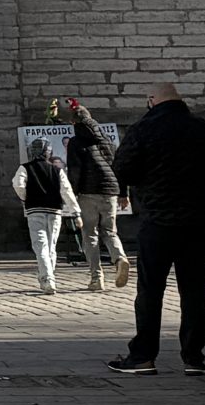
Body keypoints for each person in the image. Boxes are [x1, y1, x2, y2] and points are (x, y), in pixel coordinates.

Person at [108, 81, 205, 375]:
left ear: (152, 100)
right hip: (196, 222)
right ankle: (193, 358)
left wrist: (147, 180)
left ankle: (143, 357)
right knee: (193, 291)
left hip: (157, 222)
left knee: (151, 291)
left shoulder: (142, 130)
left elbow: (121, 169)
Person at [64, 100, 129, 292]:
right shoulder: (107, 141)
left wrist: (72, 194)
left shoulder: (76, 143)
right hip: (110, 193)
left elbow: (75, 170)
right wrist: (124, 193)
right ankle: (120, 258)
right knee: (110, 231)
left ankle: (96, 277)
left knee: (90, 234)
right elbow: (120, 168)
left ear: (74, 123)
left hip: (88, 193)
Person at [11, 138, 76, 295]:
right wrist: (75, 210)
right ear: (49, 152)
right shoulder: (56, 170)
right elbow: (66, 190)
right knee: (51, 246)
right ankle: (48, 277)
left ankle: (48, 279)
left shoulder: (25, 168)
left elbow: (17, 184)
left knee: (40, 246)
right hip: (54, 211)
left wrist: (26, 197)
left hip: (35, 211)